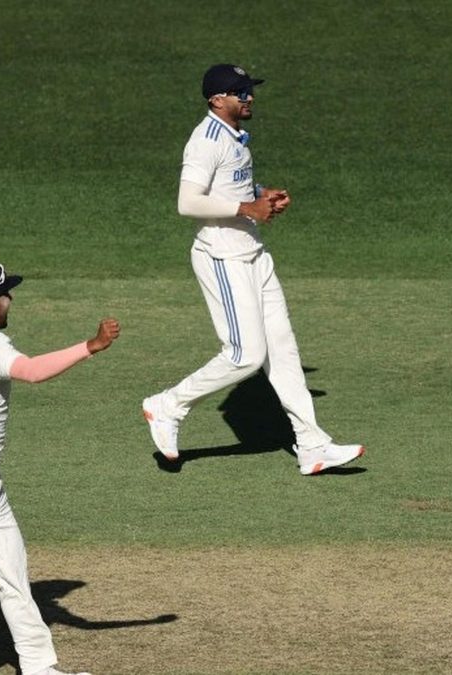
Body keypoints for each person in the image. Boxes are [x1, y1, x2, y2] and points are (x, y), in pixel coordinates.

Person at [141, 64, 364, 474]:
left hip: (254, 254)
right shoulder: (206, 140)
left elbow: (226, 188)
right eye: (240, 92)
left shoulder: (235, 137)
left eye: (249, 90)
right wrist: (247, 208)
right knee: (245, 356)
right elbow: (187, 202)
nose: (249, 97)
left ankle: (312, 445)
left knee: (284, 353)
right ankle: (167, 405)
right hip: (223, 257)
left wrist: (261, 195)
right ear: (216, 100)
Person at [0, 263, 120, 675]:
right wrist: (91, 345)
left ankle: (39, 667)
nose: (12, 301)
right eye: (7, 295)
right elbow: (31, 371)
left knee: (12, 572)